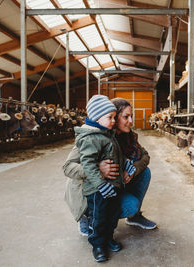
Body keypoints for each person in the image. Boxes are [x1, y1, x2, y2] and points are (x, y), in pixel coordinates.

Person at [63, 97, 156, 240]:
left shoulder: (128, 136)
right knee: (127, 205)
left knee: (145, 173)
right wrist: (96, 169)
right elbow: (67, 167)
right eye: (126, 117)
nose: (130, 121)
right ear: (112, 116)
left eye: (131, 116)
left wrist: (133, 170)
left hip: (112, 183)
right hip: (90, 189)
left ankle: (134, 216)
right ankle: (85, 216)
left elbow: (145, 156)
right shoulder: (94, 136)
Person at [70, 95, 123, 262]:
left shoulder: (106, 134)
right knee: (99, 218)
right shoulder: (90, 138)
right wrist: (101, 184)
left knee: (112, 215)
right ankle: (98, 245)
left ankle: (108, 238)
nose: (113, 121)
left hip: (112, 186)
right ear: (96, 118)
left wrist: (125, 164)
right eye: (110, 117)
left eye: (114, 117)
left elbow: (116, 155)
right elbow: (88, 166)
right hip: (97, 190)